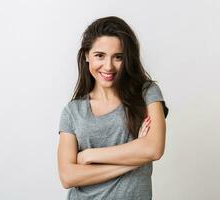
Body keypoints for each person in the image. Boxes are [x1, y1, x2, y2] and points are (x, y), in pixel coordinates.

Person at [57, 16, 169, 200]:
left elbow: (154, 149)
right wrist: (133, 160)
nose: (108, 66)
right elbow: (68, 176)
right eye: (99, 55)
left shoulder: (147, 93)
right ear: (86, 55)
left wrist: (89, 156)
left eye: (118, 57)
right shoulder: (72, 112)